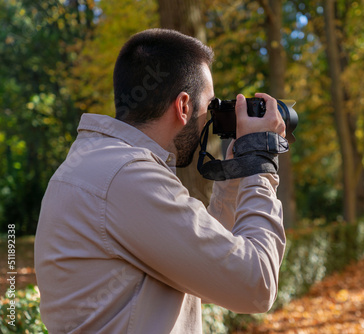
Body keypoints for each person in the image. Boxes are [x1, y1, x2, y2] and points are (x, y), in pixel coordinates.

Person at [35, 29, 287, 333]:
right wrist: (260, 162)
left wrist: (236, 173)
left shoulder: (96, 165)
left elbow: (210, 268)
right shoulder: (127, 176)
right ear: (183, 106)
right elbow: (255, 285)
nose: (210, 120)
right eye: (209, 108)